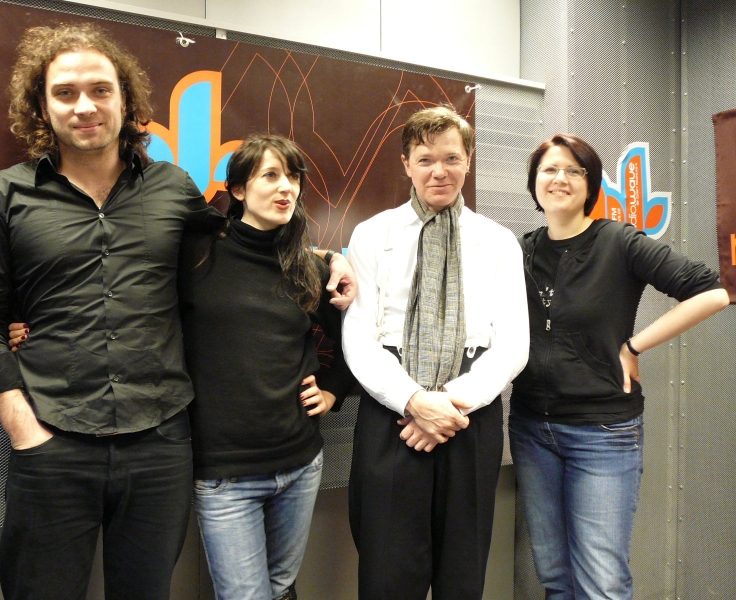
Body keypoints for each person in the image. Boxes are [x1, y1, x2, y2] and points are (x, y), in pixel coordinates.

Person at [0, 23, 353, 600]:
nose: (84, 106)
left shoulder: (172, 188)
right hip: (51, 438)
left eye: (100, 89)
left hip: (160, 442)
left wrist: (328, 257)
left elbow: (243, 246)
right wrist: (23, 429)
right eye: (65, 92)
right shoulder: (0, 197)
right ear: (41, 105)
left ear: (126, 100)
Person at [508, 133, 730, 600]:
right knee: (554, 575)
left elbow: (713, 292)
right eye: (549, 170)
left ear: (590, 183)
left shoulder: (618, 241)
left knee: (602, 583)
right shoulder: (521, 250)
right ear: (534, 183)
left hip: (602, 433)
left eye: (573, 170)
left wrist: (634, 346)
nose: (560, 179)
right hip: (531, 429)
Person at [341, 105, 530, 600]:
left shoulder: (498, 241)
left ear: (469, 159)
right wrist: (414, 401)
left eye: (451, 158)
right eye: (425, 160)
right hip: (392, 409)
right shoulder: (372, 234)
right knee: (386, 573)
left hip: (470, 412)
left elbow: (514, 342)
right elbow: (358, 336)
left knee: (461, 572)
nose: (439, 171)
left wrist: (449, 403)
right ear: (406, 163)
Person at [178, 133, 354, 600]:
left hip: (300, 463)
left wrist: (333, 389)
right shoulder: (197, 253)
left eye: (293, 177)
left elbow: (351, 342)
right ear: (238, 189)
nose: (286, 188)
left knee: (279, 589)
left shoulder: (307, 268)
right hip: (223, 473)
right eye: (271, 175)